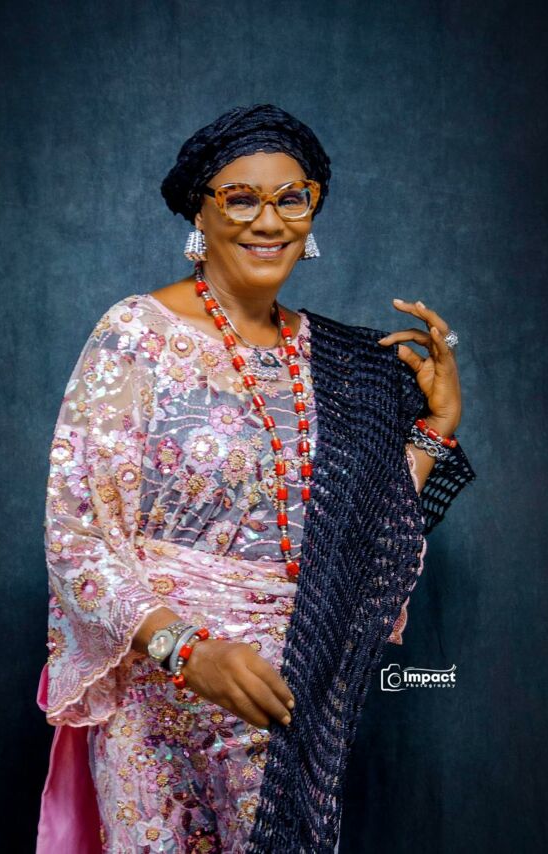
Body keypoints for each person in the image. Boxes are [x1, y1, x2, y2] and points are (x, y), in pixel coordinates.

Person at [35, 104, 475, 853]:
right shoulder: (137, 335)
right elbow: (78, 539)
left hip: (290, 701)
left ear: (312, 211)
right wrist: (187, 651)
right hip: (160, 708)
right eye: (241, 198)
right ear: (200, 212)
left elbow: (360, 533)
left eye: (290, 198)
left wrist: (435, 427)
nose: (268, 221)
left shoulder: (340, 362)